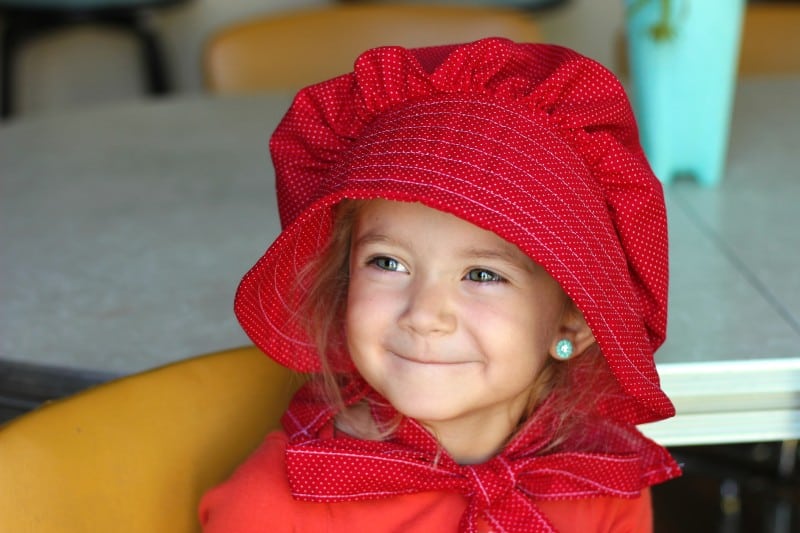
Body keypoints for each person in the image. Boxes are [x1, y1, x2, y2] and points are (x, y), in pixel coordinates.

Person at [199, 37, 681, 532]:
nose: (425, 313)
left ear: (575, 321)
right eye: (387, 263)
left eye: (482, 274)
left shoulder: (603, 479)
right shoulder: (274, 504)